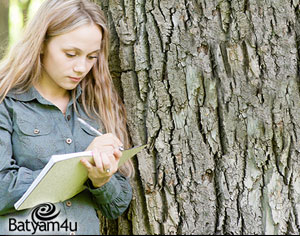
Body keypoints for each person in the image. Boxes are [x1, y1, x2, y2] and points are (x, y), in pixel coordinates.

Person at [0, 0, 134, 234]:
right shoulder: (6, 101)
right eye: (71, 54)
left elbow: (118, 205)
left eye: (91, 56)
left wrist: (101, 180)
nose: (81, 68)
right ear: (41, 43)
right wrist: (82, 170)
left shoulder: (95, 105)